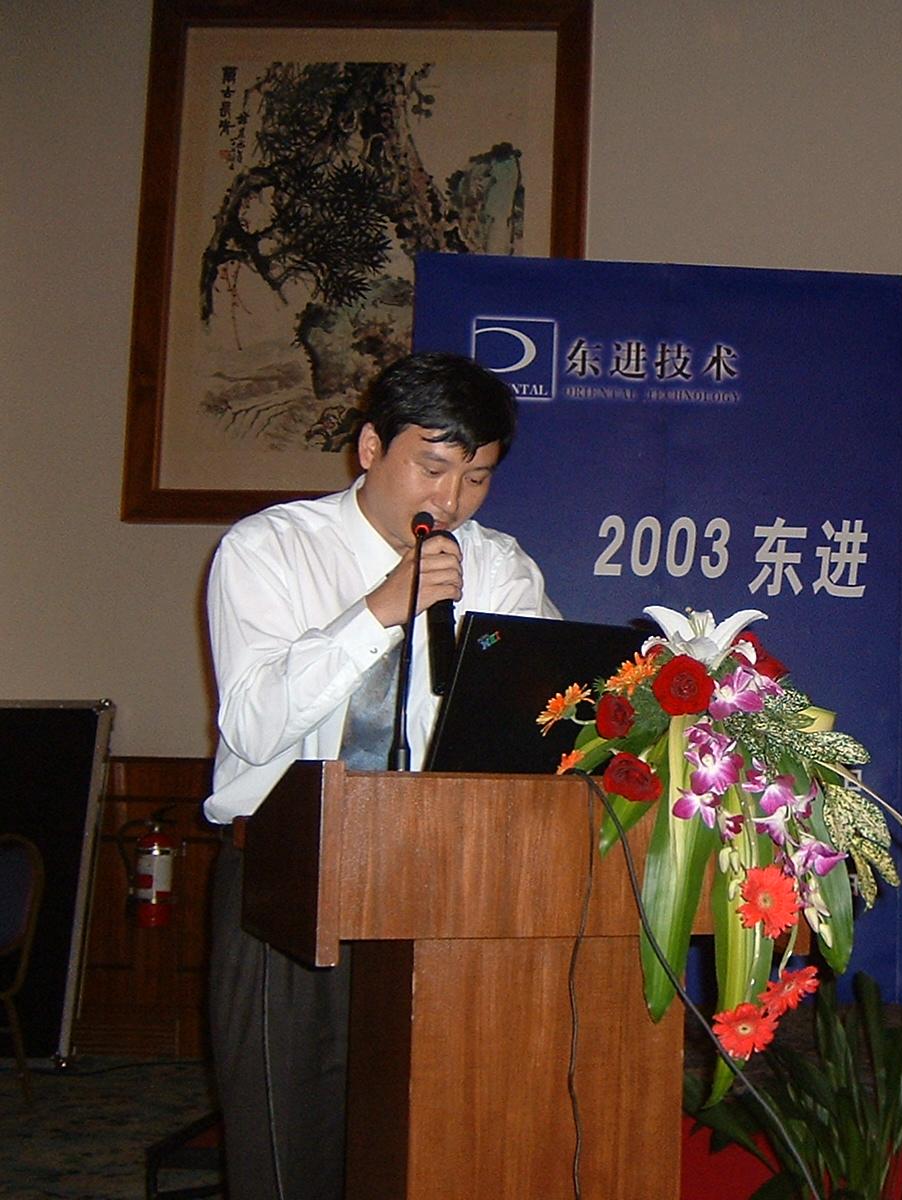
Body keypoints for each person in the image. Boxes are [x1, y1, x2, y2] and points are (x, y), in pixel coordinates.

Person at [202, 352, 559, 1200]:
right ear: (370, 448)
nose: (452, 500)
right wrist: (379, 612)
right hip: (288, 878)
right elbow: (252, 724)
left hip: (443, 884)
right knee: (288, 1145)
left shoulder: (499, 566)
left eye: (477, 477)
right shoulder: (270, 549)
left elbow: (547, 722)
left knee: (423, 1141)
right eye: (432, 468)